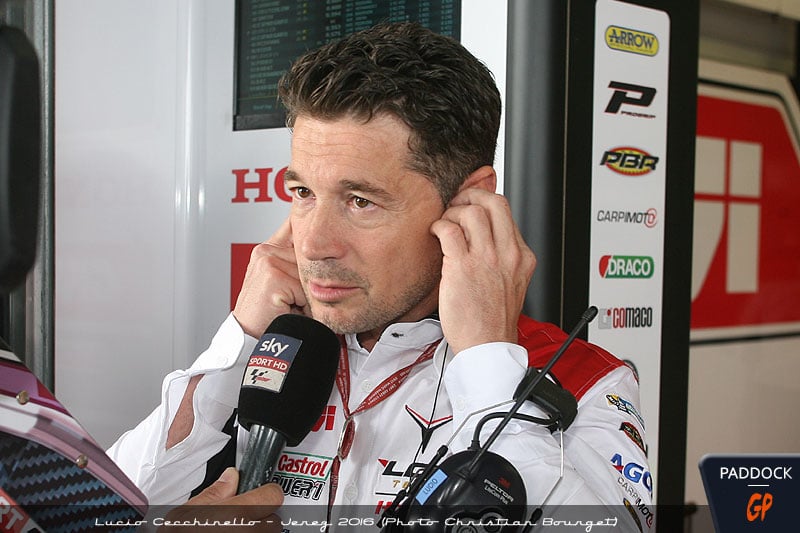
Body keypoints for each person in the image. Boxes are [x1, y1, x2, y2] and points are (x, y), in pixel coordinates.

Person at [109, 22, 653, 531]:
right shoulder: (273, 349)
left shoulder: (581, 379)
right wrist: (239, 340)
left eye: (360, 200)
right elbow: (103, 509)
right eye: (303, 193)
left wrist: (489, 365)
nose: (313, 245)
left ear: (469, 199)